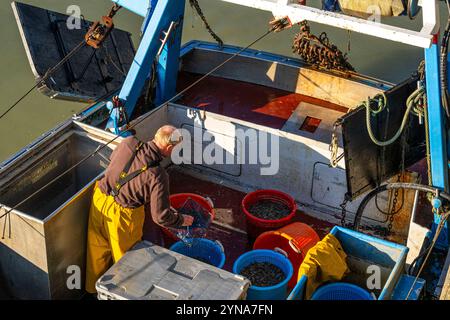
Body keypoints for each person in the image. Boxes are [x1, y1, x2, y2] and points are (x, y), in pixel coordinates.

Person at [85, 125, 193, 294]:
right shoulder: (158, 175)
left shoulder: (128, 142)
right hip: (122, 216)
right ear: (169, 147)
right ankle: (122, 295)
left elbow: (114, 161)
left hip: (100, 200)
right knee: (126, 263)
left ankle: (92, 292)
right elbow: (160, 217)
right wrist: (181, 220)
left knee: (96, 251)